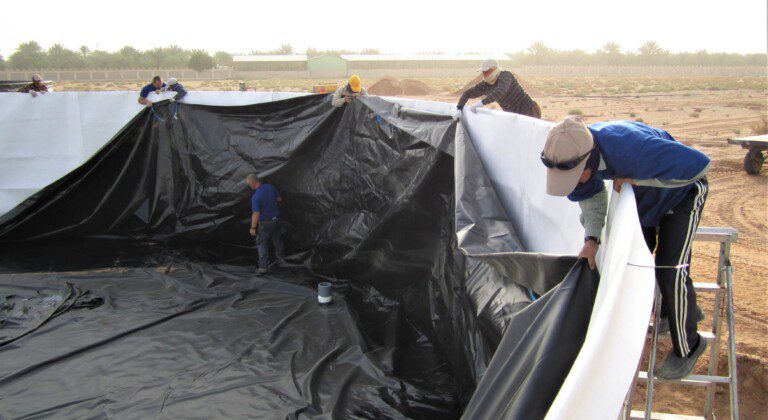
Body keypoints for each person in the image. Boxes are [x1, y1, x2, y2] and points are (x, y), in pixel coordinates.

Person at [541, 116, 710, 380]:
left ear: (588, 160)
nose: (576, 183)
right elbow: (592, 199)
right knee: (639, 256)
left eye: (576, 177)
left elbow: (698, 165)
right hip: (648, 198)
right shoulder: (583, 149)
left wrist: (642, 182)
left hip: (683, 194)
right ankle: (674, 311)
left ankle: (689, 346)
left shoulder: (630, 148)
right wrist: (591, 241)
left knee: (670, 269)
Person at [456, 58, 540, 119]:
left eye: (487, 71)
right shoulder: (485, 85)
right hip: (513, 115)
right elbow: (467, 93)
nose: (484, 74)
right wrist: (459, 108)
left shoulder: (506, 75)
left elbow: (500, 91)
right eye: (483, 72)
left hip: (529, 110)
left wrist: (481, 103)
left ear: (494, 69)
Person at [247, 174, 285, 274]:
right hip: (276, 220)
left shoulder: (256, 197)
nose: (249, 186)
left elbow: (256, 214)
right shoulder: (271, 187)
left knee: (261, 243)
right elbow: (279, 199)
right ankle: (281, 260)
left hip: (265, 223)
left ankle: (263, 267)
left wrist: (253, 228)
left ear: (252, 183)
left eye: (249, 184)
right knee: (277, 239)